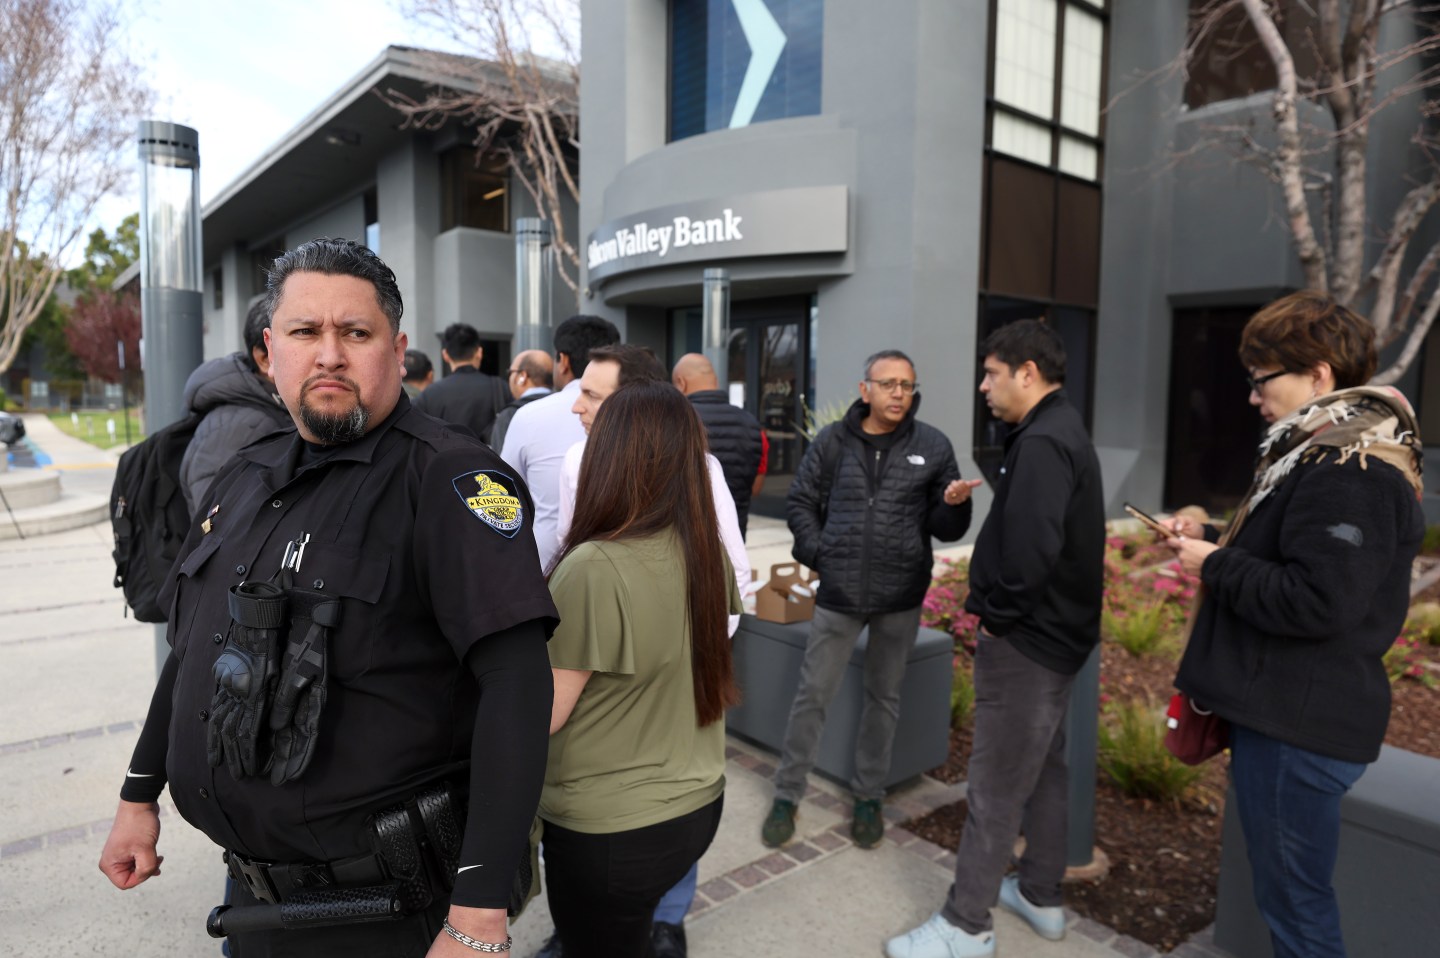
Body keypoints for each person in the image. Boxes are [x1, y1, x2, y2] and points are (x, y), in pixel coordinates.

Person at [98, 238, 559, 958]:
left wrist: (478, 913)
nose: (329, 354)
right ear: (269, 351)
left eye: (356, 332)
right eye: (305, 331)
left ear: (396, 349)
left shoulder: (451, 480)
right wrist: (138, 794)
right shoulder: (242, 479)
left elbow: (518, 688)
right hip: (251, 896)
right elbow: (196, 650)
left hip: (382, 910)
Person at [1164, 292, 1423, 958]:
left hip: (1297, 729)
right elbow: (1306, 555)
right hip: (1295, 719)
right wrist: (1215, 536)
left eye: (1260, 378)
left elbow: (1319, 599)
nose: (1252, 396)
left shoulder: (1348, 465)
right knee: (1292, 900)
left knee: (1297, 911)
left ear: (1317, 375)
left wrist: (1215, 564)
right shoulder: (1336, 451)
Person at [885, 320, 1104, 958]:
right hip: (1059, 640)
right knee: (1047, 770)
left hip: (1029, 644)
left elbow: (1032, 552)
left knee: (996, 787)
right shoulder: (1060, 430)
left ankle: (965, 924)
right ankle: (1040, 894)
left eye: (991, 373)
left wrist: (999, 617)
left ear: (1026, 374)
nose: (983, 386)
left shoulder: (1041, 442)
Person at [556, 344, 750, 958]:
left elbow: (536, 716)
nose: (578, 413)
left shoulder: (591, 568)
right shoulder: (702, 551)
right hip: (696, 804)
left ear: (610, 458)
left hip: (610, 829)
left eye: (591, 405)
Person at [763, 350, 977, 851]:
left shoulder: (932, 445)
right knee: (813, 694)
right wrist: (821, 553)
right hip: (839, 594)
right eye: (889, 384)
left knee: (884, 699)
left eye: (907, 384)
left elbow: (944, 529)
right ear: (866, 390)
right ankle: (787, 795)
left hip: (900, 594)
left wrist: (953, 507)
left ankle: (868, 797)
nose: (899, 393)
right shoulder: (833, 442)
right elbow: (800, 501)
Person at [500, 315, 620, 572]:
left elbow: (506, 493)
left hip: (546, 568)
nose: (579, 408)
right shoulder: (644, 419)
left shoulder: (529, 416)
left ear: (563, 361)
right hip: (621, 571)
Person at [178, 301, 293, 516]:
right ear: (264, 358)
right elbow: (218, 528)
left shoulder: (271, 409)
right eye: (303, 334)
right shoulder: (237, 427)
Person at [672, 353, 765, 537]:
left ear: (681, 383)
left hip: (684, 541)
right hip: (734, 541)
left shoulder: (674, 421)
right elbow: (755, 488)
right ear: (715, 381)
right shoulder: (752, 424)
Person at [414, 322, 509, 443]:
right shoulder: (501, 387)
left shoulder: (429, 394)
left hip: (446, 460)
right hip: (490, 460)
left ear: (445, 355)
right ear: (479, 352)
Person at [490, 349, 553, 454]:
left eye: (511, 372)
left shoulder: (510, 415)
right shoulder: (569, 409)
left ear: (522, 376)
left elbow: (500, 465)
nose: (509, 378)